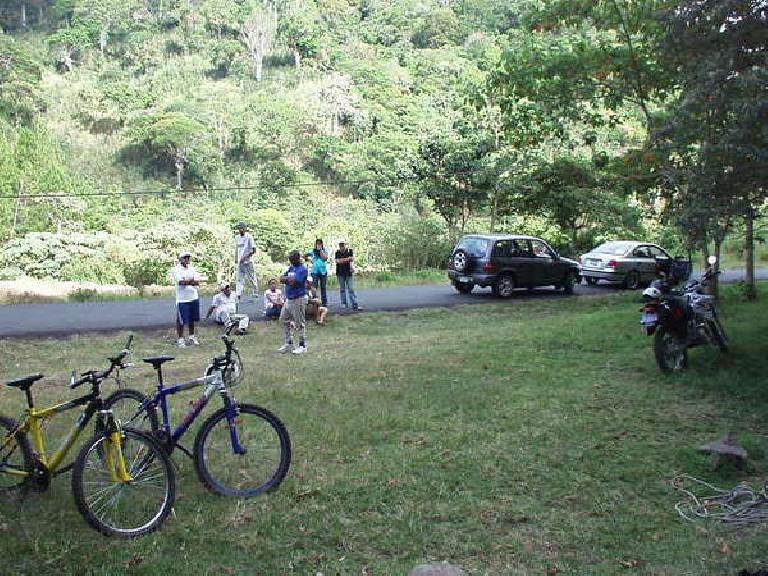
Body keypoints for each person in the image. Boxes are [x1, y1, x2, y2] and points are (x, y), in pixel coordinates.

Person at [278, 250, 311, 355]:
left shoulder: (302, 269)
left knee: (299, 323)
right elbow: (281, 278)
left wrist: (287, 279)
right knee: (283, 320)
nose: (290, 260)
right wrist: (288, 279)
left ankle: (303, 345)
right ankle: (289, 343)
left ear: (297, 259)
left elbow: (294, 281)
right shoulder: (291, 268)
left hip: (298, 299)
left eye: (292, 259)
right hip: (289, 299)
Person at [171, 251, 202, 347]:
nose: (187, 259)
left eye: (188, 257)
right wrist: (190, 281)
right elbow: (181, 282)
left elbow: (197, 282)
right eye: (185, 257)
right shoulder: (176, 270)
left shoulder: (193, 269)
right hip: (182, 299)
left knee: (192, 318)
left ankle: (192, 336)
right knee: (181, 320)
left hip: (193, 297)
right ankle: (180, 339)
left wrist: (189, 281)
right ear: (181, 259)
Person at [235, 221, 258, 301]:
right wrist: (236, 259)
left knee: (251, 277)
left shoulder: (249, 237)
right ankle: (238, 294)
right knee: (239, 278)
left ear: (245, 229)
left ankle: (255, 292)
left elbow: (254, 250)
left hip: (248, 261)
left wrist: (245, 257)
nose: (241, 229)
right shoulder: (237, 237)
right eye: (240, 228)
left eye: (242, 228)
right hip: (240, 262)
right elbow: (236, 249)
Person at [335, 240, 360, 310]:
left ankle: (354, 303)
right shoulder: (337, 252)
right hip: (340, 273)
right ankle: (344, 303)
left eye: (343, 245)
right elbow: (337, 261)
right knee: (342, 289)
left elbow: (351, 259)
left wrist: (343, 260)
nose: (342, 247)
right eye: (340, 245)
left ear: (345, 245)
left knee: (351, 289)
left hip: (348, 272)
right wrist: (347, 259)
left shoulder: (349, 251)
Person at [307, 238, 329, 307]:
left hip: (323, 271)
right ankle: (315, 302)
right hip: (314, 272)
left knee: (323, 287)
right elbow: (306, 256)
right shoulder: (312, 251)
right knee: (314, 287)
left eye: (320, 243)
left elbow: (325, 258)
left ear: (322, 244)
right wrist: (310, 260)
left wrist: (320, 251)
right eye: (317, 244)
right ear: (315, 244)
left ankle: (324, 303)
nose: (319, 245)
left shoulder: (324, 250)